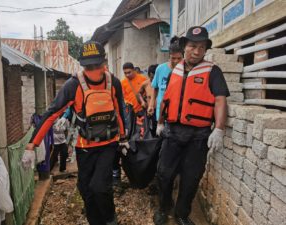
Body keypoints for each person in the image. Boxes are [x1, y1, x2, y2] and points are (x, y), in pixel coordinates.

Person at [21, 40, 128, 225]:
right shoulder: (73, 85)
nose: (94, 70)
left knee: (100, 187)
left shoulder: (114, 83)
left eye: (97, 64)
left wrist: (124, 138)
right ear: (82, 65)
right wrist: (32, 144)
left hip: (108, 144)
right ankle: (95, 221)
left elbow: (120, 110)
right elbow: (51, 113)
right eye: (89, 66)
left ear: (104, 62)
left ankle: (110, 219)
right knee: (85, 188)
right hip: (84, 146)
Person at [153, 26, 229, 225]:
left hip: (198, 135)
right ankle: (163, 208)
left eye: (202, 47)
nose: (197, 51)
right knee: (163, 174)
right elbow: (166, 100)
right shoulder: (173, 72)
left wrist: (219, 129)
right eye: (193, 46)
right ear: (184, 46)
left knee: (191, 177)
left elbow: (220, 100)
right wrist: (160, 123)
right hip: (172, 132)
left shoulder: (213, 71)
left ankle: (182, 214)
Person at [147, 36, 184, 122]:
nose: (176, 61)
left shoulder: (186, 71)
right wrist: (151, 105)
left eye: (179, 58)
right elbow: (155, 88)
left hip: (179, 115)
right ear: (169, 56)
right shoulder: (160, 69)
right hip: (162, 115)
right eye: (173, 58)